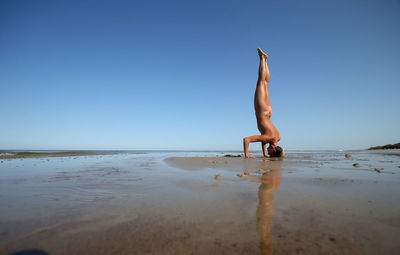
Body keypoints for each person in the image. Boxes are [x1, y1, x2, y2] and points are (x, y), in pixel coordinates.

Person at [243, 48, 283, 158]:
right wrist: (247, 155)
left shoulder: (277, 137)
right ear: (274, 149)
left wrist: (264, 153)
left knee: (266, 83)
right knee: (261, 82)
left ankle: (265, 60)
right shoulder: (270, 138)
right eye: (270, 152)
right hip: (262, 111)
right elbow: (246, 140)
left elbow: (264, 138)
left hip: (269, 111)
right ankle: (262, 58)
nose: (269, 152)